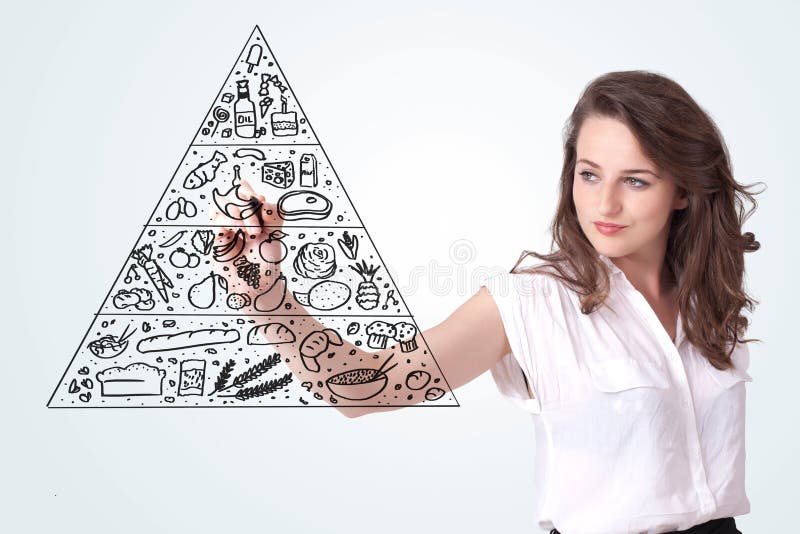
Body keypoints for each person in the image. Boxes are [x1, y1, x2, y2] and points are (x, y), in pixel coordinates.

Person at [212, 70, 762, 534]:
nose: (605, 203)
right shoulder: (531, 300)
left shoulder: (708, 299)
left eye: (636, 181)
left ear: (685, 191)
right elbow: (360, 389)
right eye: (589, 175)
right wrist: (262, 290)